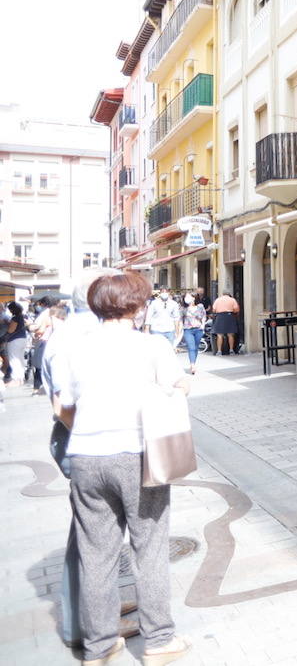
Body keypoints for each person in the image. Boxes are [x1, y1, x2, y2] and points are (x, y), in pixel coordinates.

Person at [59, 272, 192, 666]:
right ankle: (159, 640)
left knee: (95, 554)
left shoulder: (77, 348)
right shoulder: (152, 345)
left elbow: (64, 406)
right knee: (148, 548)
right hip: (137, 454)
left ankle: (99, 648)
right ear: (137, 305)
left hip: (85, 456)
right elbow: (177, 387)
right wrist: (181, 386)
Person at [42, 269, 141, 649]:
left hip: (80, 442)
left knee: (91, 535)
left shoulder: (67, 332)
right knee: (94, 541)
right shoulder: (88, 336)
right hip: (96, 444)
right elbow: (64, 404)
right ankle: (86, 626)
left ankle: (98, 613)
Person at [179, 293, 207, 375]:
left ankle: (193, 362)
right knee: (191, 347)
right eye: (186, 297)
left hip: (198, 329)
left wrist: (203, 325)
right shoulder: (183, 308)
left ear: (194, 298)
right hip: (188, 330)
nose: (187, 298)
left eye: (189, 296)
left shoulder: (200, 306)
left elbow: (204, 316)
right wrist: (179, 331)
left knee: (195, 347)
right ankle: (192, 365)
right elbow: (180, 320)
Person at [5, 301, 29, 384]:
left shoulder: (15, 318)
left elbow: (11, 330)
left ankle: (16, 379)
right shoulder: (21, 316)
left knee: (14, 359)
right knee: (20, 359)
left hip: (14, 341)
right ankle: (21, 379)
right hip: (23, 339)